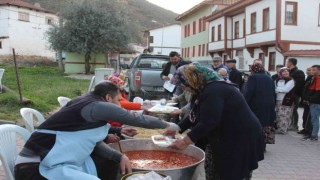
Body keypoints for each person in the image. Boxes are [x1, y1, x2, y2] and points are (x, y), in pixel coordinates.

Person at [14, 81, 180, 180]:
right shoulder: (97, 106)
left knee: (108, 164)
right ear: (108, 98)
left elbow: (91, 141)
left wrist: (120, 154)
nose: (119, 105)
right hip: (35, 168)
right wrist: (168, 125)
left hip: (57, 161)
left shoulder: (86, 102)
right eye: (117, 100)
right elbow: (136, 119)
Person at [165, 65, 265, 180]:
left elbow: (209, 121)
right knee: (215, 169)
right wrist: (176, 128)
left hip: (241, 137)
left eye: (183, 85)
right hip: (226, 135)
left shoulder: (214, 90)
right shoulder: (204, 89)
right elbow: (195, 114)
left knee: (232, 173)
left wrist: (186, 141)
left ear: (192, 80)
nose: (183, 89)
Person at [244, 63, 276, 146]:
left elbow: (249, 92)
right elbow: (273, 92)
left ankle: (256, 143)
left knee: (256, 123)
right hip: (269, 104)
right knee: (266, 123)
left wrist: (244, 102)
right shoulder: (269, 78)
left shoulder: (253, 77)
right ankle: (263, 143)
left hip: (256, 104)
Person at [286, 58, 305, 131]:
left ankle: (294, 124)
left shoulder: (298, 72)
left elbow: (299, 84)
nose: (286, 63)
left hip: (295, 94)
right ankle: (289, 123)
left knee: (294, 109)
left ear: (291, 63)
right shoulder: (289, 71)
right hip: (288, 94)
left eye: (287, 62)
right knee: (289, 109)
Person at [274, 67, 295, 134]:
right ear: (280, 73)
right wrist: (280, 89)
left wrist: (278, 89)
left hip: (286, 99)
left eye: (287, 71)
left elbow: (286, 89)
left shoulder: (291, 80)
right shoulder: (277, 80)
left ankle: (283, 129)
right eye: (284, 71)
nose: (286, 73)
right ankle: (279, 128)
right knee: (278, 114)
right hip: (278, 99)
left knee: (285, 115)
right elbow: (274, 88)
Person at [302, 65, 320, 141]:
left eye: (314, 70)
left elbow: (317, 92)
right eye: (312, 70)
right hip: (313, 101)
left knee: (314, 119)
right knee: (313, 119)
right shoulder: (313, 78)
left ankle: (313, 136)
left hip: (316, 102)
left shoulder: (318, 79)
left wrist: (309, 99)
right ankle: (312, 134)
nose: (312, 71)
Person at [298, 67, 313, 135]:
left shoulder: (313, 79)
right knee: (305, 115)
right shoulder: (308, 78)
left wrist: (308, 99)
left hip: (310, 100)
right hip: (305, 99)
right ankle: (305, 128)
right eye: (307, 70)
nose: (308, 72)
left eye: (310, 70)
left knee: (308, 116)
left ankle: (308, 130)